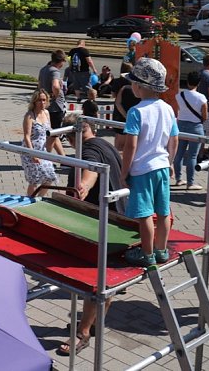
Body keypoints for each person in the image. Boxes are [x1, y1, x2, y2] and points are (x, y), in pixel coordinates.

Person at [56, 114, 123, 356]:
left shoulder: (88, 152)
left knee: (93, 282)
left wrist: (82, 187)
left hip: (103, 221)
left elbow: (91, 171)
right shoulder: (105, 144)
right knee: (106, 282)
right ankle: (93, 324)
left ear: (74, 135)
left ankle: (82, 333)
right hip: (119, 219)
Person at [119, 57, 179, 267]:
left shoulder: (136, 112)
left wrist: (124, 171)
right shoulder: (167, 108)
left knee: (144, 213)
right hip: (162, 165)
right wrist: (170, 161)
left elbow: (130, 146)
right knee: (163, 211)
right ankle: (161, 250)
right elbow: (174, 139)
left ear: (138, 86)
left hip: (142, 169)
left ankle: (147, 253)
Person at [20, 89, 61, 197]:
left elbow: (50, 133)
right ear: (34, 102)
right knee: (34, 179)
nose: (42, 102)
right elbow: (27, 136)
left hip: (43, 151)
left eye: (44, 100)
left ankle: (40, 198)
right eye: (39, 100)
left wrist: (59, 153)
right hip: (30, 150)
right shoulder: (30, 115)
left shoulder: (46, 113)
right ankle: (29, 200)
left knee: (50, 176)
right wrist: (32, 153)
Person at [174, 71, 208, 190]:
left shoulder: (179, 95)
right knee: (192, 156)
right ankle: (190, 182)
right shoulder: (201, 97)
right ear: (198, 83)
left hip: (181, 126)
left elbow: (179, 110)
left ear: (187, 81)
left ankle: (178, 179)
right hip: (196, 127)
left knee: (179, 154)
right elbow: (205, 116)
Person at [38, 49, 67, 155]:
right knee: (54, 134)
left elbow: (39, 86)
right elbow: (55, 85)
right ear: (61, 61)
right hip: (56, 107)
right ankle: (45, 157)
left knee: (55, 133)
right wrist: (56, 94)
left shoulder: (43, 69)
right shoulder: (55, 71)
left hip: (46, 106)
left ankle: (63, 158)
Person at [111, 62, 138, 154]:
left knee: (118, 137)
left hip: (119, 111)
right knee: (127, 137)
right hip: (130, 109)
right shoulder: (133, 83)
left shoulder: (117, 81)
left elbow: (113, 95)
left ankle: (117, 155)